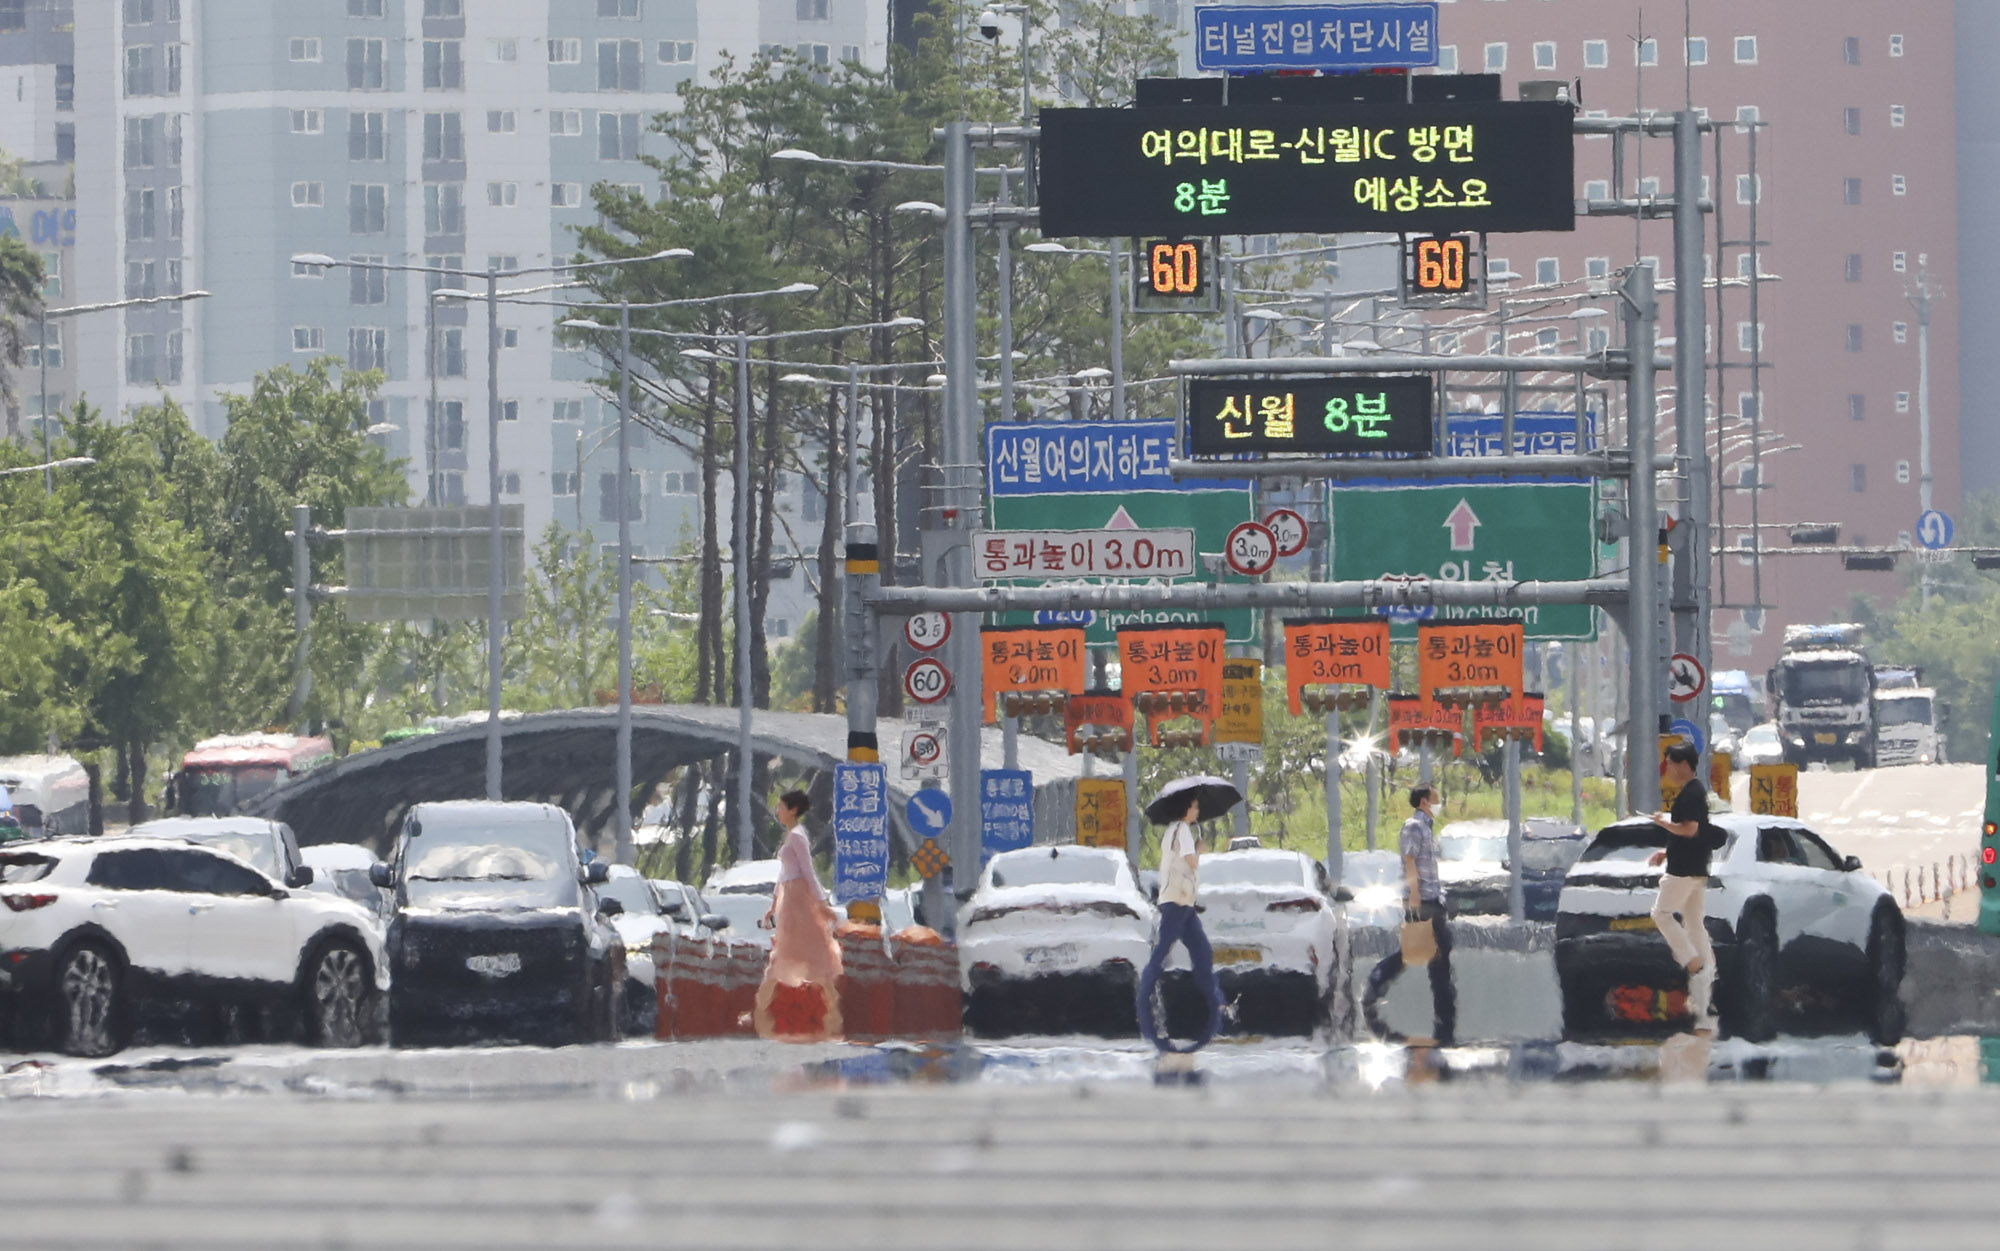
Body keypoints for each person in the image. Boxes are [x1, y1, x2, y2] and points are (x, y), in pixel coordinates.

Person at [1361, 785, 1456, 1047]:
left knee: (1432, 955)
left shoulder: (1426, 826)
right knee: (1422, 953)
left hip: (1432, 899)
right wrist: (1414, 895)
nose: (1440, 802)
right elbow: (1409, 860)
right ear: (1424, 802)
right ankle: (1379, 979)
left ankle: (1445, 1022)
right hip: (1422, 901)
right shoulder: (1414, 826)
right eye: (1436, 799)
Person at [754, 790, 844, 1041]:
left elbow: (808, 872)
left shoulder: (797, 837)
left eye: (781, 806)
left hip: (801, 904)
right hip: (792, 903)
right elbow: (784, 876)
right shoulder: (791, 836)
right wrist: (773, 905)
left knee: (808, 960)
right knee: (793, 959)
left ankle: (829, 1019)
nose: (777, 810)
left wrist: (822, 904)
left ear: (793, 810)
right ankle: (764, 1014)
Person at [1649, 743, 1726, 1033]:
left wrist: (1664, 823)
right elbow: (1692, 833)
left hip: (1683, 870)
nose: (1667, 769)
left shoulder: (1691, 793)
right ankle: (1708, 988)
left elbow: (1690, 830)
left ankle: (1692, 962)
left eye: (1670, 763)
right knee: (1694, 924)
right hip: (1695, 866)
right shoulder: (1694, 791)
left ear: (1683, 764)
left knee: (1661, 913)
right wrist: (1665, 852)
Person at [1136, 797, 1223, 1052]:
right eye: (1194, 806)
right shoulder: (1182, 830)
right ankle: (1143, 1004)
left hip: (1180, 900)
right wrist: (1199, 850)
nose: (1197, 811)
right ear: (1184, 809)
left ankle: (1217, 1010)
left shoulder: (1172, 831)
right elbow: (1191, 862)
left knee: (1202, 952)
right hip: (1177, 901)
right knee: (1162, 951)